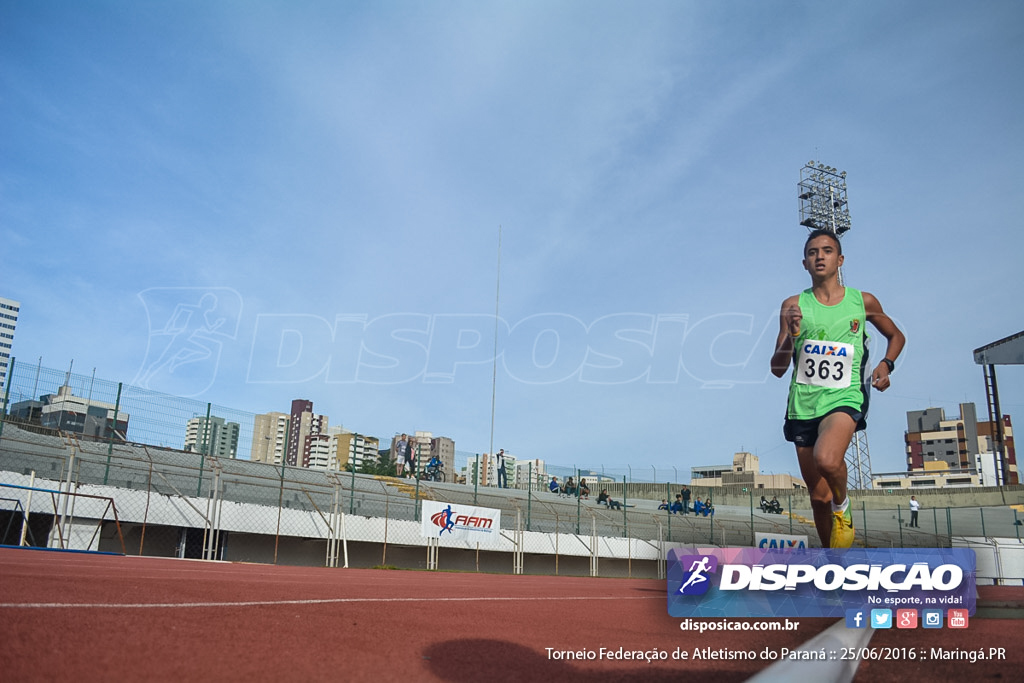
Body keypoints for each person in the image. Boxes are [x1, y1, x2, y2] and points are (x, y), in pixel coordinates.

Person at [771, 229, 905, 549]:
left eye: (827, 251)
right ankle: (834, 563)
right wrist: (790, 335)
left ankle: (842, 508)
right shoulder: (793, 305)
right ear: (804, 263)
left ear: (839, 259)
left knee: (828, 460)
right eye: (813, 252)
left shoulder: (863, 301)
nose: (820, 256)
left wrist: (886, 364)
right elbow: (777, 369)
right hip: (803, 404)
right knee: (818, 497)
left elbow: (896, 336)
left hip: (844, 397)